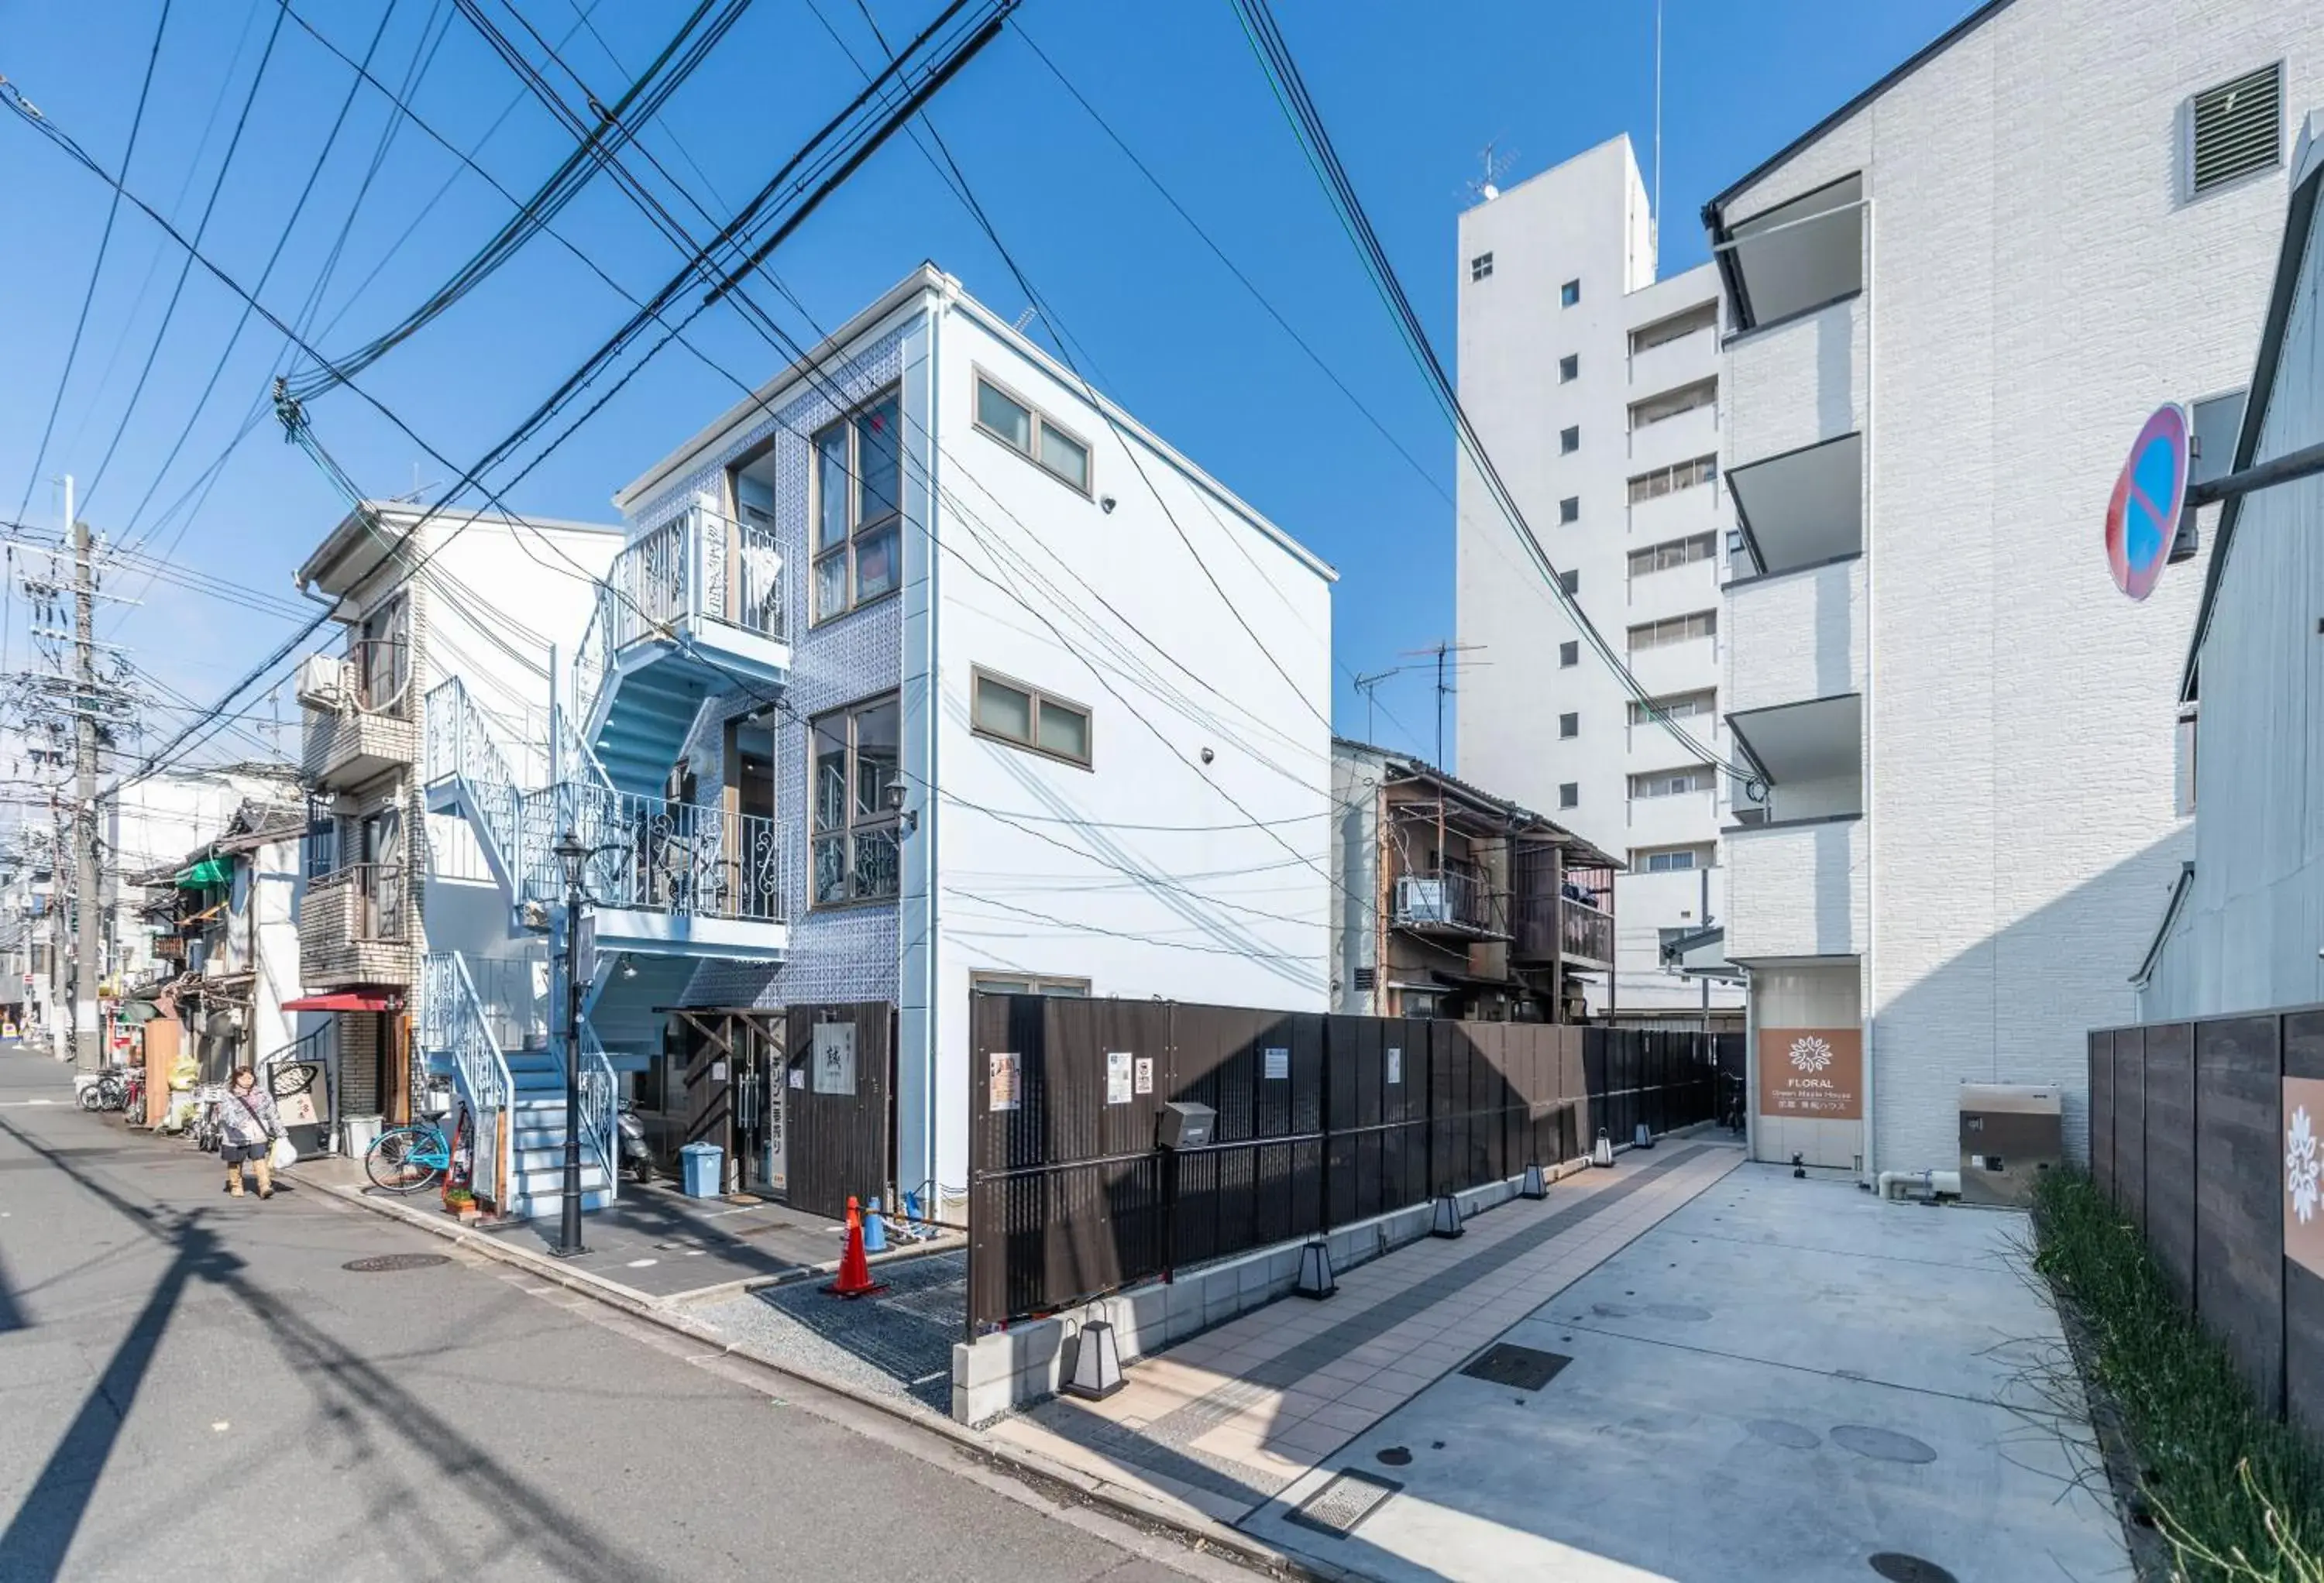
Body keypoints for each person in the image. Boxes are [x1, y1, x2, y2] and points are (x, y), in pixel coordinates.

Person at [218, 1066, 281, 1199]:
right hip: (235, 1133)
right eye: (243, 1078)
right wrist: (238, 1123)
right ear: (235, 1079)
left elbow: (272, 1113)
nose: (247, 1081)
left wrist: (280, 1131)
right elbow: (226, 1113)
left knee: (259, 1159)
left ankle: (265, 1186)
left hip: (257, 1131)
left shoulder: (262, 1093)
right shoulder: (228, 1094)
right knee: (235, 1161)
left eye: (250, 1077)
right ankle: (236, 1186)